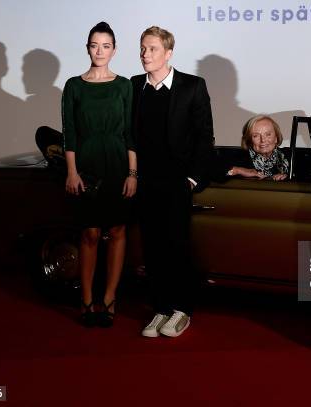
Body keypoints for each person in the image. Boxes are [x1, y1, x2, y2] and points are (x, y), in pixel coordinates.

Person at [131, 26, 214, 338]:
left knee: (177, 247)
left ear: (168, 53)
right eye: (142, 49)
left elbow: (205, 137)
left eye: (152, 49)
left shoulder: (192, 86)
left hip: (178, 182)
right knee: (152, 249)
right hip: (146, 182)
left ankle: (182, 310)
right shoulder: (135, 86)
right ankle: (161, 307)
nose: (145, 55)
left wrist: (192, 179)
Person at [62, 22, 137, 328]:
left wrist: (133, 173)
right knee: (90, 233)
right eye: (95, 45)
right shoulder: (73, 85)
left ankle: (109, 298)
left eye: (106, 46)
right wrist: (71, 172)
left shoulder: (124, 85)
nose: (100, 51)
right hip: (87, 166)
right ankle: (86, 299)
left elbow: (131, 132)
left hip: (118, 164)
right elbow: (70, 133)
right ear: (87, 47)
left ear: (114, 50)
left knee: (118, 231)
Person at [225, 115, 289, 181]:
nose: (263, 140)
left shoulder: (290, 156)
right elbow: (216, 172)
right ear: (249, 140)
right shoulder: (239, 158)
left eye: (268, 134)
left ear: (276, 138)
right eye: (256, 136)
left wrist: (288, 178)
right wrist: (238, 170)